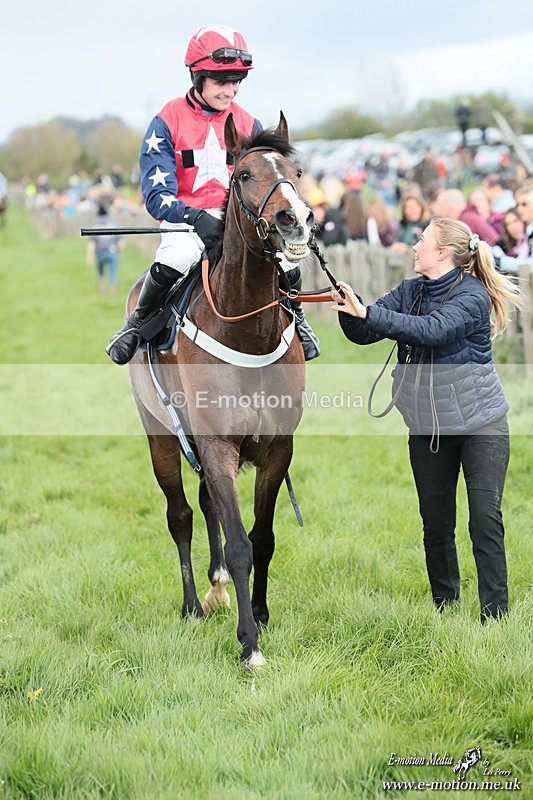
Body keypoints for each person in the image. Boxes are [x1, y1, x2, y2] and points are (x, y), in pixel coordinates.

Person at [330, 217, 522, 623]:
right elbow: (367, 331)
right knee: (436, 524)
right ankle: (445, 608)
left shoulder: (472, 297)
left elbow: (431, 331)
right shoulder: (411, 290)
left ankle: (496, 617)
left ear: (442, 253)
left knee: (484, 521)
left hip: (481, 425)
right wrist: (351, 309)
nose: (414, 246)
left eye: (422, 241)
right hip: (428, 428)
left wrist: (370, 313)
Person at [106, 25, 320, 364]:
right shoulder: (166, 120)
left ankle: (299, 322)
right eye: (222, 81)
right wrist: (193, 216)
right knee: (175, 259)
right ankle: (135, 325)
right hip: (186, 221)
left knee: (284, 262)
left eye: (236, 81)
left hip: (238, 220)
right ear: (198, 76)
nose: (231, 90)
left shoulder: (248, 122)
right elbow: (156, 196)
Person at [430, 188, 499, 246]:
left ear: (448, 207)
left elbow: (494, 242)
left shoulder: (466, 221)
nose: (438, 212)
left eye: (441, 207)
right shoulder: (468, 217)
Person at [86, 201, 124, 298]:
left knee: (100, 274)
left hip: (100, 252)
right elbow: (121, 240)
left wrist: (89, 258)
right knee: (113, 274)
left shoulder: (95, 225)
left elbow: (92, 243)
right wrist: (118, 253)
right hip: (112, 251)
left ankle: (102, 294)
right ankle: (114, 295)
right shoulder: (113, 223)